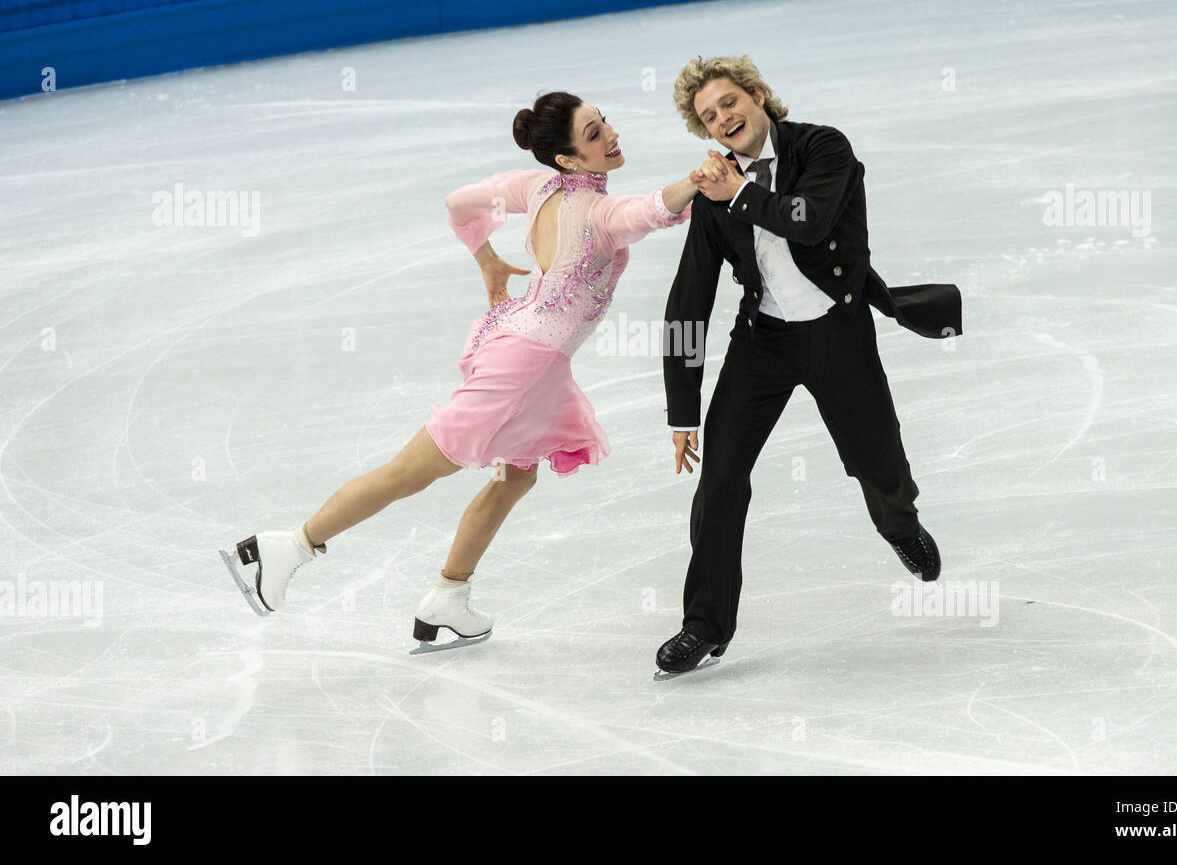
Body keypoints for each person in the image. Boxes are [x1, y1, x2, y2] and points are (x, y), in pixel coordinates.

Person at [221, 91, 700, 651]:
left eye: (604, 121)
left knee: (515, 475)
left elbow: (458, 203)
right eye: (594, 133)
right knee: (410, 472)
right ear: (567, 159)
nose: (611, 135)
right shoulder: (601, 212)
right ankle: (289, 548)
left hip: (529, 357)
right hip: (522, 367)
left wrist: (486, 259)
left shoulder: (536, 187)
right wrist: (701, 178)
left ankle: (449, 596)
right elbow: (653, 210)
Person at [655, 56, 964, 678]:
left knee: (880, 464)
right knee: (720, 479)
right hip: (762, 342)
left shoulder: (823, 147)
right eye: (709, 116)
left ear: (757, 95)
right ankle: (704, 625)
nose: (723, 118)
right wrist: (683, 410)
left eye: (729, 101)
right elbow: (689, 299)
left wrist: (740, 194)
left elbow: (809, 220)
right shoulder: (714, 194)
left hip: (839, 331)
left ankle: (898, 523)